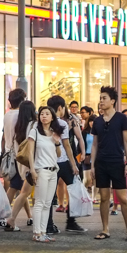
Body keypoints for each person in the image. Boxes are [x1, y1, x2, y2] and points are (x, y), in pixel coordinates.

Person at [85, 87, 127, 242]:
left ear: (112, 101)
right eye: (100, 98)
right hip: (101, 163)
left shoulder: (121, 118)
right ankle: (105, 229)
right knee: (104, 197)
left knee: (122, 198)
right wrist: (93, 166)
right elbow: (94, 144)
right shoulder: (98, 121)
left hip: (117, 162)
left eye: (104, 98)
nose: (101, 101)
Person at [22, 105, 72, 243]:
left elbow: (59, 154)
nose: (44, 116)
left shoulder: (54, 132)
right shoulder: (35, 132)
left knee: (48, 203)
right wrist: (32, 170)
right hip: (41, 170)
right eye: (42, 114)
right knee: (40, 202)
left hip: (53, 170)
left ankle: (43, 232)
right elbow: (30, 152)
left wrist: (56, 143)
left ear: (52, 117)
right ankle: (37, 233)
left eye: (47, 114)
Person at [45, 95, 86, 234]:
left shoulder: (44, 122)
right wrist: (74, 164)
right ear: (60, 108)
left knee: (49, 195)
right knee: (73, 189)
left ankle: (49, 225)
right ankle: (71, 222)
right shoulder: (62, 123)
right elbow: (67, 145)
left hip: (49, 163)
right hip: (63, 162)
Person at [2, 101, 37, 231]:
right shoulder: (33, 126)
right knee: (24, 193)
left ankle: (27, 217)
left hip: (19, 162)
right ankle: (10, 219)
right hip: (32, 164)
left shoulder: (19, 126)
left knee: (21, 191)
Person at [1, 89, 26, 205]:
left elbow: (5, 136)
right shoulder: (20, 115)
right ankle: (4, 215)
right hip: (19, 156)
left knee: (20, 188)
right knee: (19, 187)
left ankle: (29, 216)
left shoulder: (7, 115)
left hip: (8, 153)